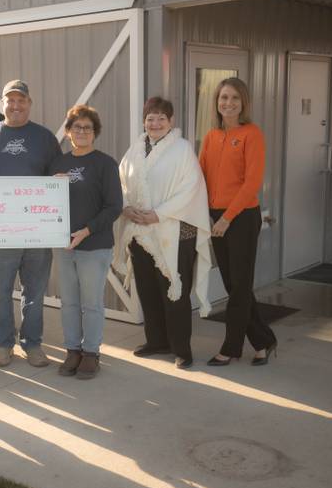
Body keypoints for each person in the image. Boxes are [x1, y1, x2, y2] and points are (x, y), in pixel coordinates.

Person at [113, 97, 212, 369]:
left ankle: (182, 348)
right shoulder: (135, 149)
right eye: (150, 118)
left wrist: (159, 214)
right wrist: (126, 208)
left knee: (174, 290)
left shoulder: (182, 150)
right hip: (139, 230)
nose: (155, 124)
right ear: (144, 121)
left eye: (161, 118)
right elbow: (120, 181)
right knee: (147, 288)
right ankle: (156, 341)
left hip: (173, 230)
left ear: (171, 121)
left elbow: (190, 188)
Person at [0, 79, 62, 368]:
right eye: (10, 100)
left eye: (20, 100)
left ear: (29, 103)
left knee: (34, 292)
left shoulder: (45, 138)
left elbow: (57, 182)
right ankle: (2, 344)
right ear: (2, 103)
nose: (15, 105)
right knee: (0, 291)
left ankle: (32, 343)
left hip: (37, 232)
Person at [199, 77, 277, 366]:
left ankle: (231, 348)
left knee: (240, 284)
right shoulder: (211, 136)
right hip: (217, 216)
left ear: (243, 102)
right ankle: (264, 340)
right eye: (223, 98)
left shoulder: (251, 134)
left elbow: (251, 183)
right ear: (216, 102)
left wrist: (228, 218)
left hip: (242, 216)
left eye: (233, 98)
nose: (227, 103)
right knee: (235, 285)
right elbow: (202, 177)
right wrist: (207, 214)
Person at [49, 105, 122, 379]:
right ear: (68, 132)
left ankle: (91, 353)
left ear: (95, 133)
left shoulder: (105, 164)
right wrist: (50, 185)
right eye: (76, 127)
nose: (81, 132)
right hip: (63, 245)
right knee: (68, 301)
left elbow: (114, 206)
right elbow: (44, 202)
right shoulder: (58, 164)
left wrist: (86, 231)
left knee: (91, 302)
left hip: (94, 245)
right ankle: (72, 350)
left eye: (87, 128)